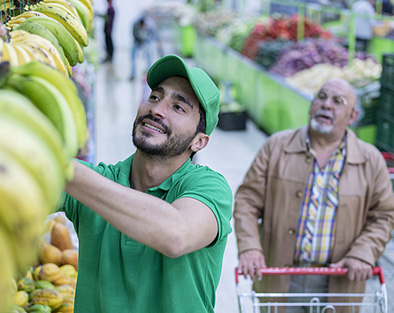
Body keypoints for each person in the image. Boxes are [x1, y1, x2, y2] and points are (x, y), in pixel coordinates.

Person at [60, 54, 233, 313]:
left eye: (178, 107)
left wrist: (60, 167)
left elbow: (177, 235)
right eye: (154, 96)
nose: (156, 109)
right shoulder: (99, 180)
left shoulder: (209, 187)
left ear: (199, 141)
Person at [233, 78, 394, 313]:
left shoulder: (371, 160)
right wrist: (249, 247)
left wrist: (363, 253)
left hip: (340, 282)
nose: (326, 105)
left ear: (352, 116)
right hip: (280, 277)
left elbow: (384, 216)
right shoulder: (276, 147)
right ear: (311, 105)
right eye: (321, 97)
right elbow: (247, 201)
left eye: (338, 101)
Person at [129, 16, 156, 81]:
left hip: (146, 41)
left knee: (149, 55)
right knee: (133, 56)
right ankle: (133, 74)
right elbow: (134, 34)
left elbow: (153, 35)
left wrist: (146, 42)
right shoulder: (135, 25)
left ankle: (149, 73)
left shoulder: (150, 26)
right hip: (137, 41)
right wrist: (139, 40)